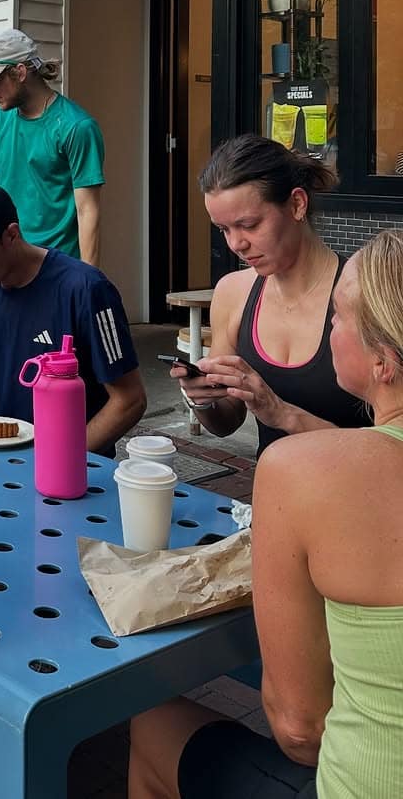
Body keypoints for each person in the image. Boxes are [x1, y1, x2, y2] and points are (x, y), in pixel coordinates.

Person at [128, 229, 403, 799]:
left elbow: (300, 731)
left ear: (384, 360)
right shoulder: (240, 293)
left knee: (153, 723)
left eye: (338, 319)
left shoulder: (301, 472)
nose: (328, 331)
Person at [0, 180, 145, 455]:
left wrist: (63, 462)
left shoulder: (86, 289)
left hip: (68, 475)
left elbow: (129, 400)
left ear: (11, 235)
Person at [169, 135, 364, 455]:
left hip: (357, 496)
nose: (235, 244)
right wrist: (204, 399)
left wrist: (282, 413)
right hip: (274, 494)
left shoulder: (361, 294)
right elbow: (227, 421)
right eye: (224, 229)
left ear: (297, 204)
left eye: (249, 224)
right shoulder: (233, 292)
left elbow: (388, 443)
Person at [0, 27, 104, 265]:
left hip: (56, 267)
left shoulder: (77, 127)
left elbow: (88, 212)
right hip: (8, 262)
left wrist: (89, 282)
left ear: (20, 72)